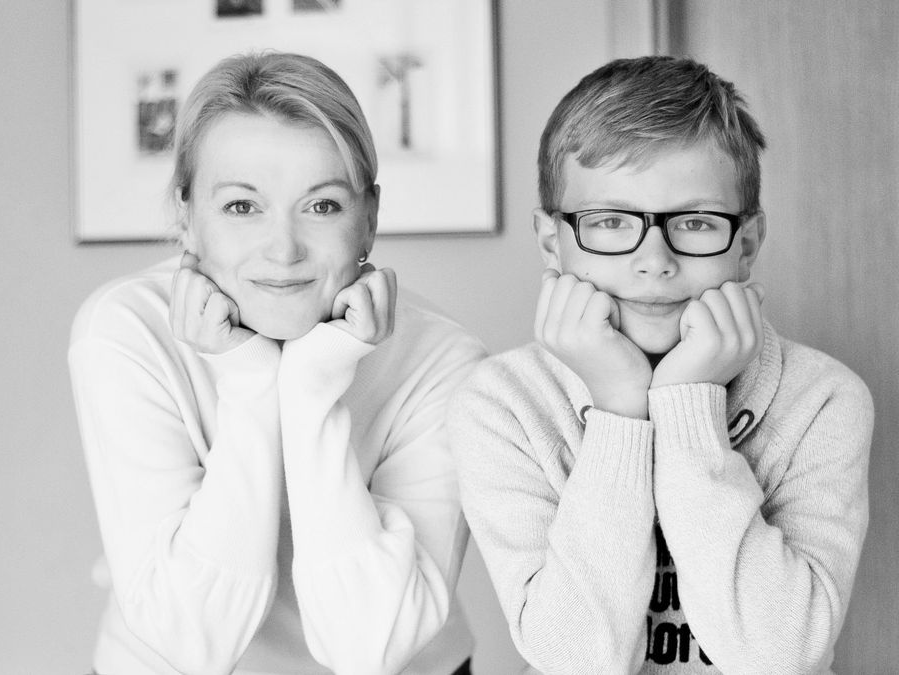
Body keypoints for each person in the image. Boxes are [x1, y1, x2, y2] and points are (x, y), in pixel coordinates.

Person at [448, 55, 873, 673]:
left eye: (695, 222)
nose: (654, 261)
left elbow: (777, 657)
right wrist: (620, 411)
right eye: (610, 221)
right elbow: (577, 661)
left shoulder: (822, 398)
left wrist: (688, 406)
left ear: (747, 244)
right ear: (551, 242)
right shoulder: (504, 403)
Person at [68, 51, 487, 675]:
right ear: (186, 217)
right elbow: (194, 639)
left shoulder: (444, 361)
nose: (284, 249)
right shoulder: (127, 332)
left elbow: (370, 647)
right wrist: (250, 382)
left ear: (369, 218)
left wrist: (313, 391)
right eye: (242, 207)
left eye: (322, 206)